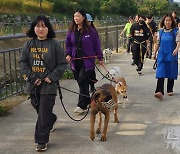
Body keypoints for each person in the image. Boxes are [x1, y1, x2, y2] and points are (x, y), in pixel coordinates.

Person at [19, 15, 67, 152]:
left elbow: (62, 64)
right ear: (33, 28)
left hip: (48, 85)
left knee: (44, 112)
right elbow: (23, 62)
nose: (41, 29)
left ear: (48, 28)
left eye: (44, 26)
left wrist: (52, 77)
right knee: (38, 108)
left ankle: (41, 140)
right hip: (33, 84)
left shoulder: (54, 45)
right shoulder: (28, 44)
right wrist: (32, 78)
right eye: (38, 26)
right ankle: (51, 119)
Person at [65, 9, 103, 114]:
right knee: (81, 82)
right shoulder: (71, 30)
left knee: (82, 80)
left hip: (87, 61)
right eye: (74, 16)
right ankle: (88, 101)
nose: (76, 18)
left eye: (78, 16)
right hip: (75, 61)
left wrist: (100, 57)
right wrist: (68, 54)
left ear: (83, 17)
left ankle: (81, 105)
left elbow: (97, 45)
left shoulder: (91, 31)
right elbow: (68, 44)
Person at [153, 14, 180, 99]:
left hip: (171, 54)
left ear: (172, 21)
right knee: (160, 72)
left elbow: (178, 42)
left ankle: (169, 89)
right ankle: (159, 91)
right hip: (162, 55)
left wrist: (176, 49)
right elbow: (158, 43)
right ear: (163, 21)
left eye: (169, 20)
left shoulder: (175, 31)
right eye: (166, 20)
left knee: (171, 71)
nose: (167, 22)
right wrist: (154, 52)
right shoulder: (160, 31)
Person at [86, 13, 98, 92]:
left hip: (90, 56)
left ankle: (92, 85)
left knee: (91, 72)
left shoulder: (93, 31)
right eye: (87, 22)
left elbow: (97, 43)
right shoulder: (75, 31)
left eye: (89, 22)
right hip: (81, 57)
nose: (88, 23)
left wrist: (98, 54)